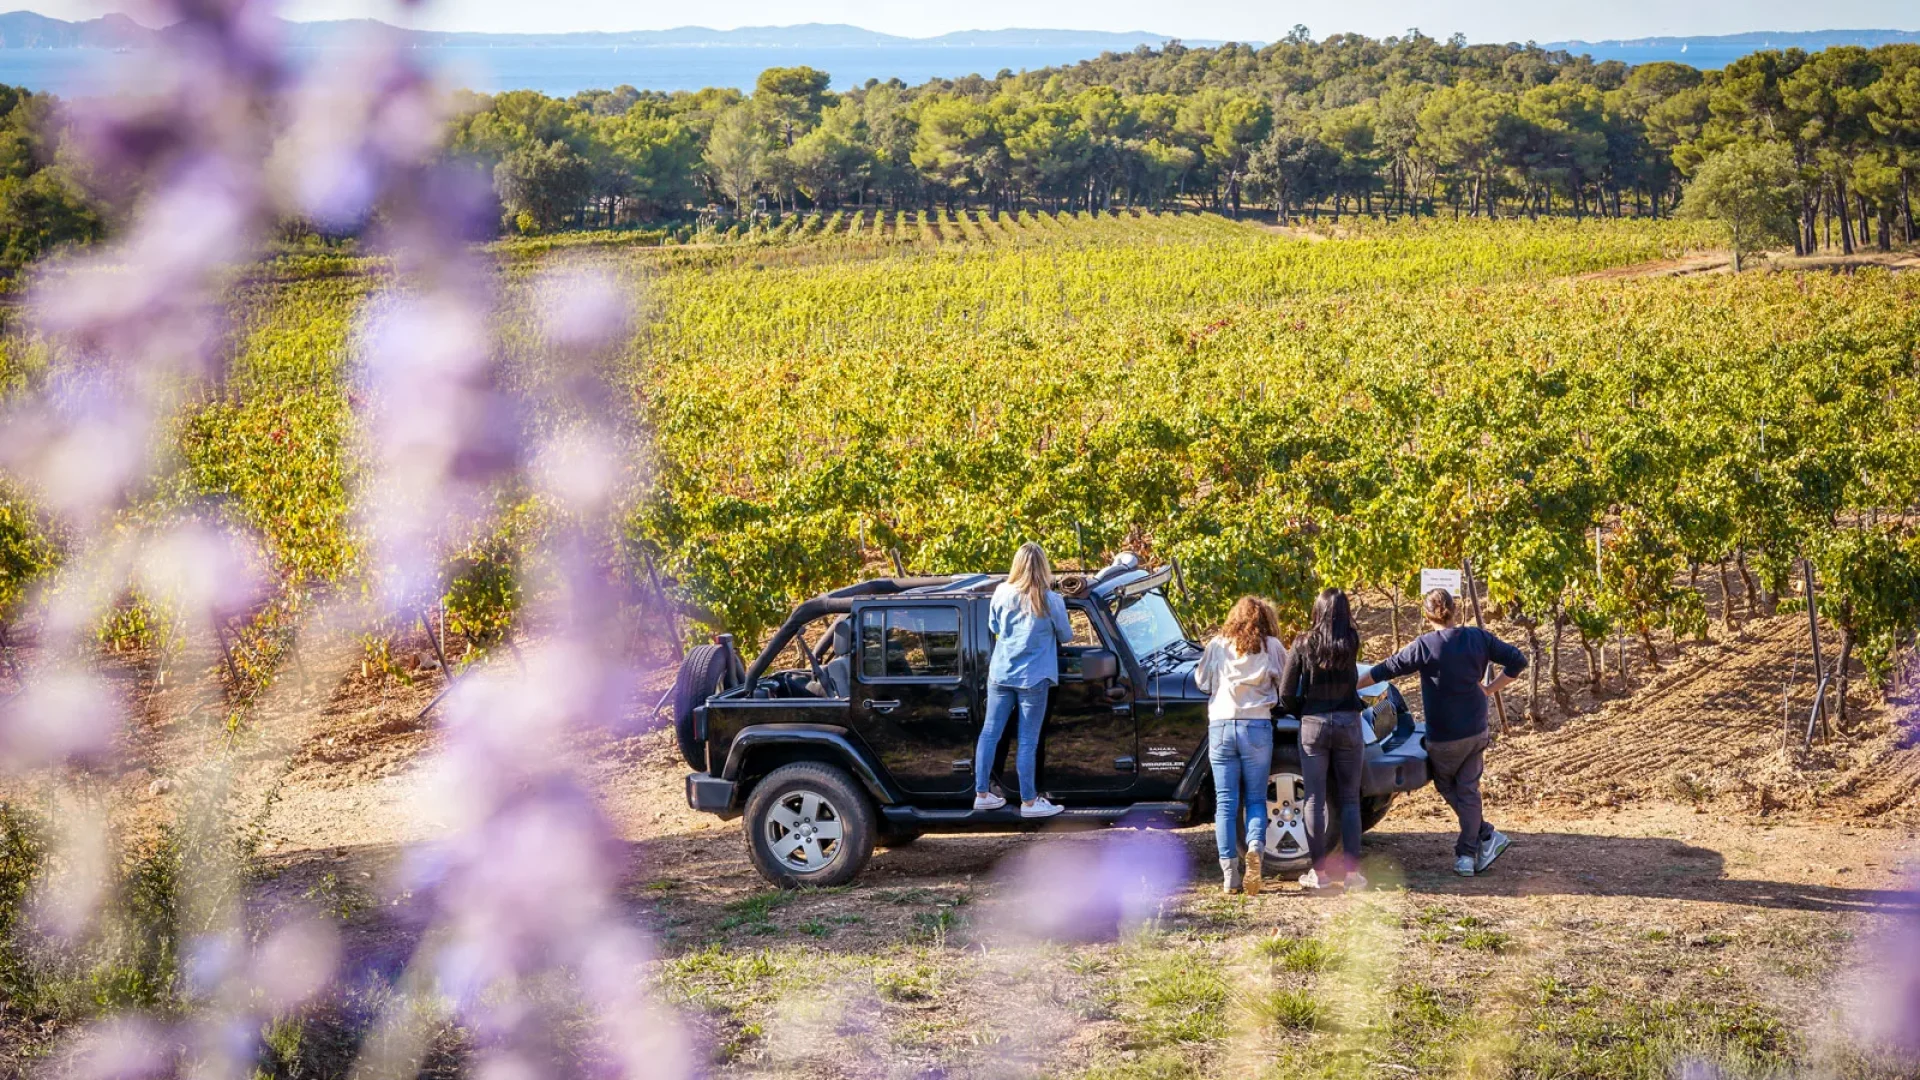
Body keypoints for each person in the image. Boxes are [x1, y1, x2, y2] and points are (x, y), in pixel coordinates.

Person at [1359, 588, 1527, 877]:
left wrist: (1354, 684)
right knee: (1469, 789)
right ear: (1455, 609)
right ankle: (1478, 842)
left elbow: (1388, 669)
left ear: (1427, 615)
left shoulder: (1425, 646)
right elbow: (1518, 660)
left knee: (1448, 786)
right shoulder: (1478, 637)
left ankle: (1471, 848)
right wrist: (1489, 689)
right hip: (1476, 728)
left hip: (1444, 735)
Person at [972, 542, 1072, 818]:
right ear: (1044, 567)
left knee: (989, 733)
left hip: (1001, 674)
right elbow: (1066, 636)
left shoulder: (1001, 592)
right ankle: (1029, 801)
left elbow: (994, 627)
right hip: (1033, 678)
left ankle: (981, 794)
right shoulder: (1050, 600)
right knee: (1027, 741)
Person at [1278, 589, 1369, 892]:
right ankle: (1353, 875)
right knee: (1350, 799)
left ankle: (1319, 873)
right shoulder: (1351, 642)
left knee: (1314, 800)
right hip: (1348, 723)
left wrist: (1302, 711)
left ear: (1317, 610)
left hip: (1314, 725)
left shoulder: (1303, 643)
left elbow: (1286, 692)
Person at [1194, 596, 1286, 896]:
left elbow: (1201, 681)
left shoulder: (1218, 645)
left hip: (1221, 725)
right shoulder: (1271, 646)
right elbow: (1286, 682)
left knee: (1225, 803)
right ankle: (1256, 849)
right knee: (1256, 799)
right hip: (1256, 726)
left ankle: (1229, 876)